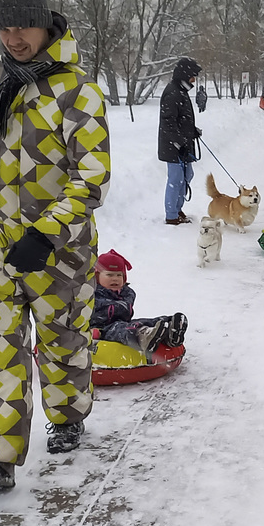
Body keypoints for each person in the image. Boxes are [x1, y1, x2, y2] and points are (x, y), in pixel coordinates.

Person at [0, 0, 111, 492]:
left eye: (21, 26)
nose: (12, 37)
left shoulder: (78, 91)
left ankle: (67, 416)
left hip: (58, 248)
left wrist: (46, 233)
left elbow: (91, 177)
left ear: (44, 23)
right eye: (3, 27)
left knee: (61, 339)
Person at [90, 249, 188, 353]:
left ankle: (170, 330)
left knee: (142, 322)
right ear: (97, 277)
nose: (115, 279)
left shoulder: (127, 293)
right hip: (102, 330)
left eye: (119, 275)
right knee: (123, 330)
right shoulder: (91, 293)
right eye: (109, 275)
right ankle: (145, 338)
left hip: (123, 323)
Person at [158, 57, 202, 225]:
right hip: (173, 146)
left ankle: (178, 209)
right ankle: (171, 215)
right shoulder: (173, 92)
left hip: (183, 144)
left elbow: (181, 119)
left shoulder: (181, 91)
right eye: (192, 76)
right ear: (185, 75)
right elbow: (168, 122)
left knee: (187, 175)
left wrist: (192, 131)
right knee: (175, 179)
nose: (194, 80)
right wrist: (179, 143)